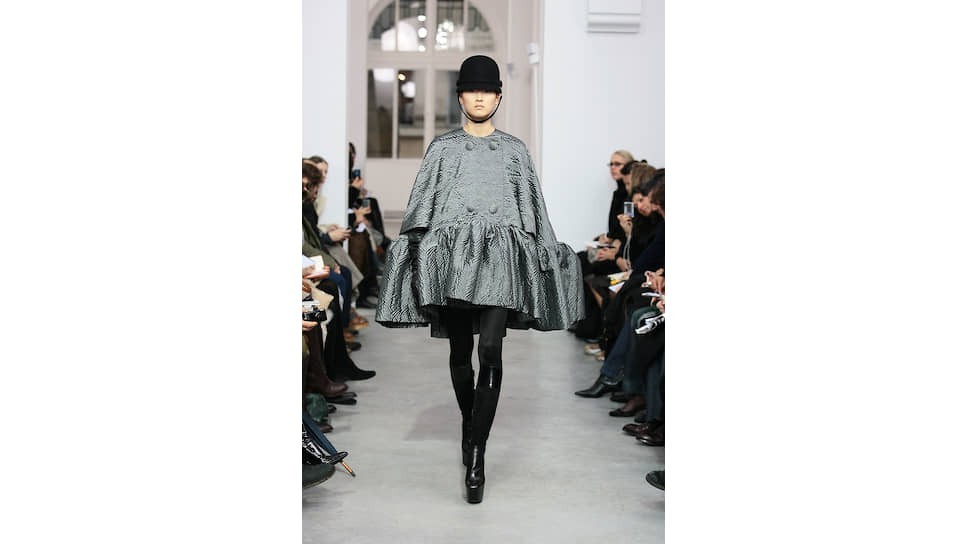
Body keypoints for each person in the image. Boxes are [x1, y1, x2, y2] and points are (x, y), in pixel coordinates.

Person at [375, 55, 583, 504]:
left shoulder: (514, 151)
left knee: (490, 349)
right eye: (472, 90)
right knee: (458, 352)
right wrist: (413, 255)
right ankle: (469, 425)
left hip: (500, 261)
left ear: (499, 97)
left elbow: (533, 208)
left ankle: (477, 454)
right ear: (460, 97)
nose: (480, 97)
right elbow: (421, 206)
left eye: (488, 90)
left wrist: (548, 254)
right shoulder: (443, 149)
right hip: (454, 261)